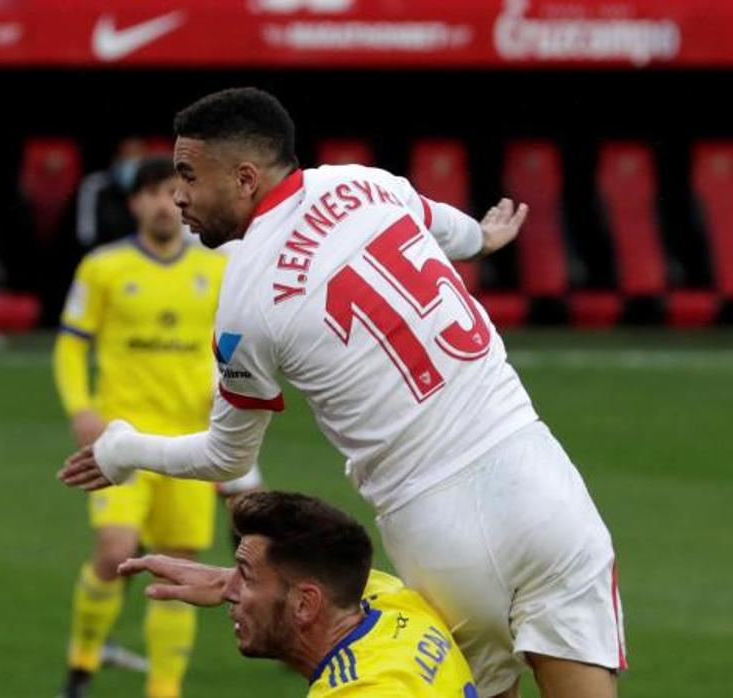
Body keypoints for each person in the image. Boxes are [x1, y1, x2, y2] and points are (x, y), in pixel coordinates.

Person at [60, 87, 624, 698]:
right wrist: (485, 240)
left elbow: (229, 459)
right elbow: (448, 228)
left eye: (189, 175)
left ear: (245, 178)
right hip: (543, 483)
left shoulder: (246, 300)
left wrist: (123, 451)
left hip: (437, 525)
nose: (179, 195)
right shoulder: (366, 183)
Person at [54, 157, 260, 698]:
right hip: (120, 438)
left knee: (179, 567)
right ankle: (79, 667)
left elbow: (237, 341)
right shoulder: (103, 268)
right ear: (135, 205)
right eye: (151, 193)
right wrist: (80, 409)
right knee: (112, 550)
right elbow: (71, 345)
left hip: (190, 443)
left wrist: (228, 394)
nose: (164, 204)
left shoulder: (217, 269)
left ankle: (164, 690)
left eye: (174, 192)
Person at [121, 491, 478, 696]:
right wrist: (227, 578)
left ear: (305, 605)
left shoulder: (364, 690)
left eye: (246, 578)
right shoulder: (395, 603)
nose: (232, 595)